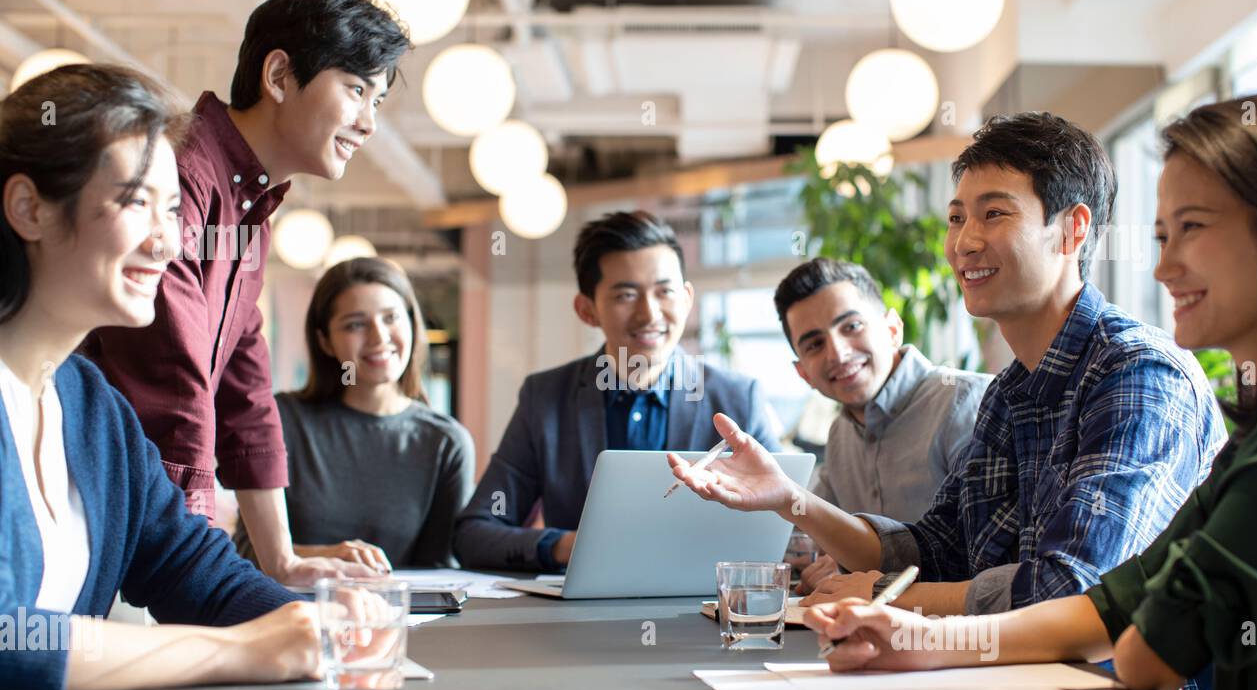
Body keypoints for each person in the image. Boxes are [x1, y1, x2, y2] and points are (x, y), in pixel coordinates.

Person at [803, 94, 1257, 690]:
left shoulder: (1150, 376)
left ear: (1072, 232)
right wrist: (913, 629)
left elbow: (1120, 626)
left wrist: (911, 609)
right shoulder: (1012, 393)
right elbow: (1104, 607)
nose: (1163, 266)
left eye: (1195, 228)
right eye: (1161, 236)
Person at [667, 111, 1224, 623]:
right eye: (957, 218)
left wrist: (886, 596)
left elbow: (1070, 588)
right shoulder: (1012, 391)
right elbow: (937, 547)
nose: (964, 242)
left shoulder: (1138, 375)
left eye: (994, 214)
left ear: (1072, 229)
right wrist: (786, 496)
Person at [0, 65, 352, 690]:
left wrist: (315, 623)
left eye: (172, 208)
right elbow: (8, 640)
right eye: (137, 202)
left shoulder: (90, 405)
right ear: (29, 209)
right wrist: (237, 650)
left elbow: (189, 566)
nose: (167, 241)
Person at [81, 0, 411, 585]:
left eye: (378, 102)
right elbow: (174, 385)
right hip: (104, 510)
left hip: (142, 520)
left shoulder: (250, 206)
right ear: (280, 75)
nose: (368, 123)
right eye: (357, 89)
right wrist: (202, 577)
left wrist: (282, 560)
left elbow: (245, 390)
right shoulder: (182, 170)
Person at [455, 210, 783, 572]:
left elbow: (785, 519)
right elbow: (474, 535)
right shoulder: (545, 399)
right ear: (587, 310)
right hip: (581, 616)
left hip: (703, 610)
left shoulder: (738, 399)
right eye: (626, 295)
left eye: (665, 292)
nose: (650, 313)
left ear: (687, 298)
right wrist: (565, 545)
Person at [232, 256, 474, 571]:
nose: (378, 337)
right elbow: (244, 550)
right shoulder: (282, 420)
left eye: (391, 318)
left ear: (413, 324)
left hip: (399, 613)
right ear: (325, 341)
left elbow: (439, 570)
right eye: (355, 324)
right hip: (292, 611)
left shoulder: (445, 442)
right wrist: (327, 555)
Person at [774, 257, 990, 591]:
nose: (838, 354)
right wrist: (828, 560)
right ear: (803, 372)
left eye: (851, 327)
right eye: (815, 344)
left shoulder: (969, 403)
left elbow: (984, 560)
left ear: (892, 329)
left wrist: (853, 572)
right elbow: (809, 542)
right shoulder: (840, 434)